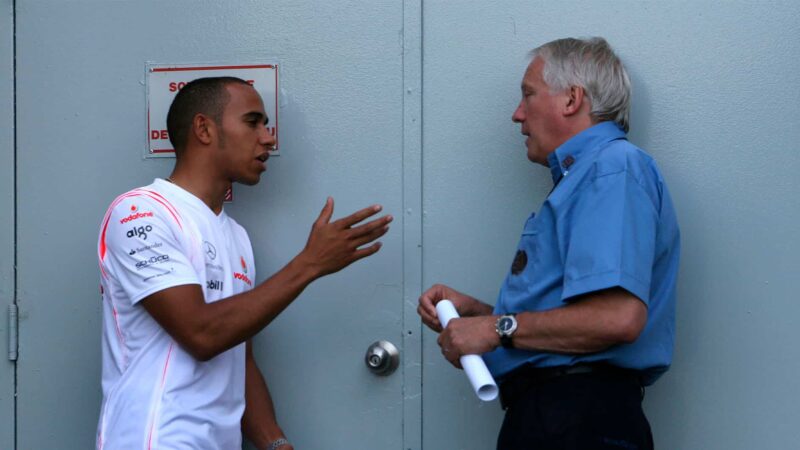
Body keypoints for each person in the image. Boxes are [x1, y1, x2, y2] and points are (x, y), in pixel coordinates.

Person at [96, 77, 392, 450]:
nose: (268, 138)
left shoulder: (235, 235)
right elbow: (202, 335)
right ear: (204, 128)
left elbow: (237, 356)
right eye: (253, 122)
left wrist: (275, 443)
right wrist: (310, 264)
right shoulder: (140, 213)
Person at [418, 37, 680, 449]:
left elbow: (616, 318)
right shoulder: (589, 177)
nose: (517, 115)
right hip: (561, 418)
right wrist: (483, 316)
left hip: (578, 421)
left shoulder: (612, 169)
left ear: (572, 99)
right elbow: (579, 320)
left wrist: (495, 327)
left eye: (528, 95)